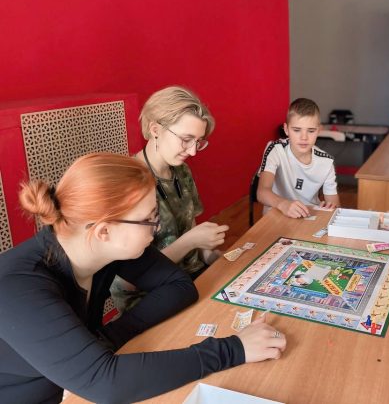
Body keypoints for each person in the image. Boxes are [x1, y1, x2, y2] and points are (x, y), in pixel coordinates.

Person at [0, 153, 286, 404]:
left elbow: (180, 286)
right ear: (103, 231)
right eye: (149, 219)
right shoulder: (18, 288)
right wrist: (233, 349)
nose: (156, 228)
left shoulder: (101, 246)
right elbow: (107, 382)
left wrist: (107, 338)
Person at [111, 86, 228, 311]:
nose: (193, 152)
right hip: (151, 298)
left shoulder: (181, 171)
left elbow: (190, 228)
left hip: (190, 280)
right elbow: (126, 282)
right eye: (186, 139)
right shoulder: (127, 183)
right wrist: (191, 241)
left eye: (198, 141)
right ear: (155, 129)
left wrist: (213, 257)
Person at [257, 98, 340, 218]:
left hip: (309, 216)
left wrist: (329, 208)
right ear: (286, 129)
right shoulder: (275, 149)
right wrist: (283, 204)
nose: (304, 137)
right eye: (296, 130)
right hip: (277, 213)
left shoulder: (327, 162)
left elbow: (335, 206)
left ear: (319, 131)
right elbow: (262, 192)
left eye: (311, 131)